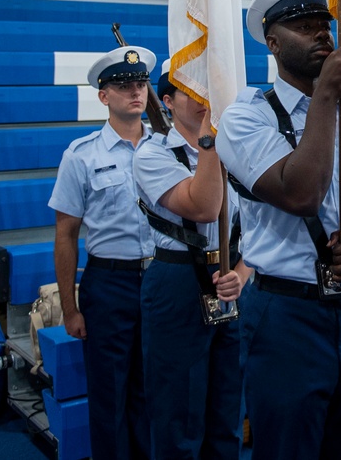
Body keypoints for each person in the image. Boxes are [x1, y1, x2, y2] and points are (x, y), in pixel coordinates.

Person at [216, 0, 341, 459]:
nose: (321, 34)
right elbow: (300, 193)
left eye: (323, 23)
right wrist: (327, 96)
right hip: (287, 316)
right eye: (302, 25)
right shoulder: (246, 116)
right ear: (272, 41)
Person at [134, 62, 248, 460]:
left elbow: (256, 224)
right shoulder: (151, 155)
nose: (204, 101)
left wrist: (242, 274)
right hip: (178, 282)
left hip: (230, 280)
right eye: (191, 93)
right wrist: (209, 144)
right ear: (166, 101)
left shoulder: (235, 149)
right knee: (177, 416)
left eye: (208, 92)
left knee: (227, 412)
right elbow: (202, 206)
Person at [50, 46, 156, 460]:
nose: (135, 92)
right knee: (109, 396)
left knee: (152, 391)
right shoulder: (81, 155)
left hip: (161, 280)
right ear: (103, 95)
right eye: (123, 85)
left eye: (141, 84)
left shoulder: (166, 149)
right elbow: (66, 234)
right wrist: (70, 307)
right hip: (109, 284)